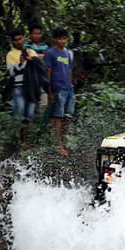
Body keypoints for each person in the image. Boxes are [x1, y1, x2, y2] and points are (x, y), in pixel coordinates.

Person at [44, 27, 75, 156]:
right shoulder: (51, 53)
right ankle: (59, 144)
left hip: (69, 88)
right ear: (55, 39)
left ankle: (65, 141)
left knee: (68, 116)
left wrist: (72, 86)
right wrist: (49, 93)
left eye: (64, 38)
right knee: (58, 117)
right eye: (59, 39)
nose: (62, 41)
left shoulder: (67, 53)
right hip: (58, 89)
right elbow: (48, 74)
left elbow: (69, 70)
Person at [6, 28, 39, 143]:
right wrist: (21, 64)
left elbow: (39, 67)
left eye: (20, 39)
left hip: (32, 87)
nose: (19, 42)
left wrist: (31, 60)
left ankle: (26, 141)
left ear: (24, 39)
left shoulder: (31, 52)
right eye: (16, 40)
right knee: (19, 115)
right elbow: (11, 72)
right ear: (12, 42)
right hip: (19, 87)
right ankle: (18, 141)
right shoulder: (10, 55)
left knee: (29, 115)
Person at [24, 23, 50, 108]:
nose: (37, 36)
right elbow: (28, 57)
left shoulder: (44, 46)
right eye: (35, 34)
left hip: (43, 75)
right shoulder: (26, 46)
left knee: (44, 101)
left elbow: (47, 58)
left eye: (39, 34)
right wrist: (40, 57)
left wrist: (35, 57)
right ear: (30, 34)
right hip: (31, 76)